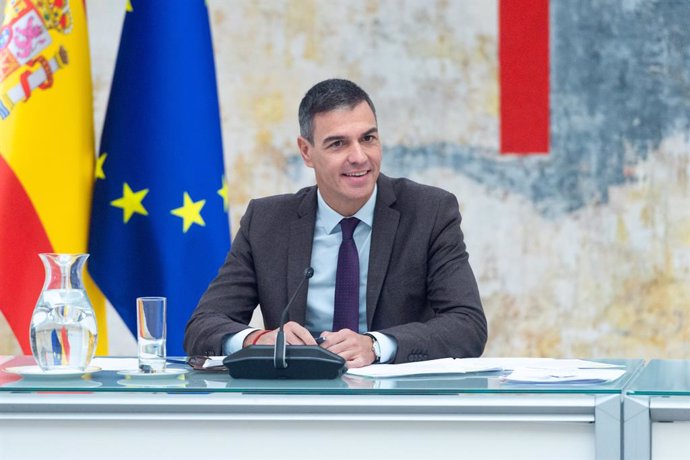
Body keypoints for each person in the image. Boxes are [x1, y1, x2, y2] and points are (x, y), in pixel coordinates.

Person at [184, 78, 487, 368]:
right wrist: (259, 339)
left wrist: (376, 345)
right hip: (298, 405)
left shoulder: (429, 212)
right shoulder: (266, 222)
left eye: (368, 138)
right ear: (306, 152)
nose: (359, 157)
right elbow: (202, 328)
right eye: (338, 144)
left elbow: (467, 326)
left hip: (396, 407)